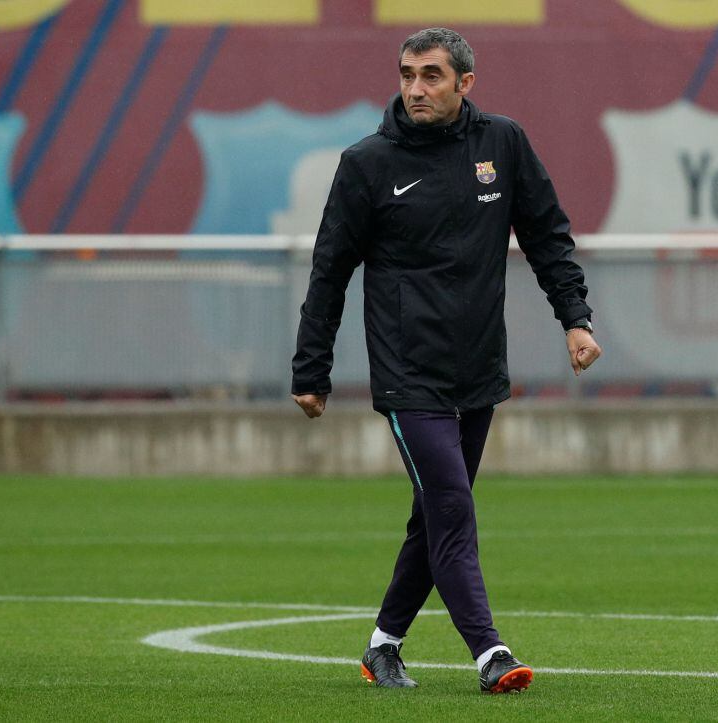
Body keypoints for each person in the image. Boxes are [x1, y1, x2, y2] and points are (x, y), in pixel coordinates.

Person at [291, 27, 601, 694]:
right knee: (453, 504)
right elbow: (329, 270)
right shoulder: (368, 163)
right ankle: (489, 651)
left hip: (479, 369)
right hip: (409, 375)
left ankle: (383, 644)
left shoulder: (503, 145)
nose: (415, 88)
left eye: (432, 75)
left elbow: (547, 233)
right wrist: (309, 369)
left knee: (434, 512)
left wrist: (575, 318)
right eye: (407, 74)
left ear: (465, 84)